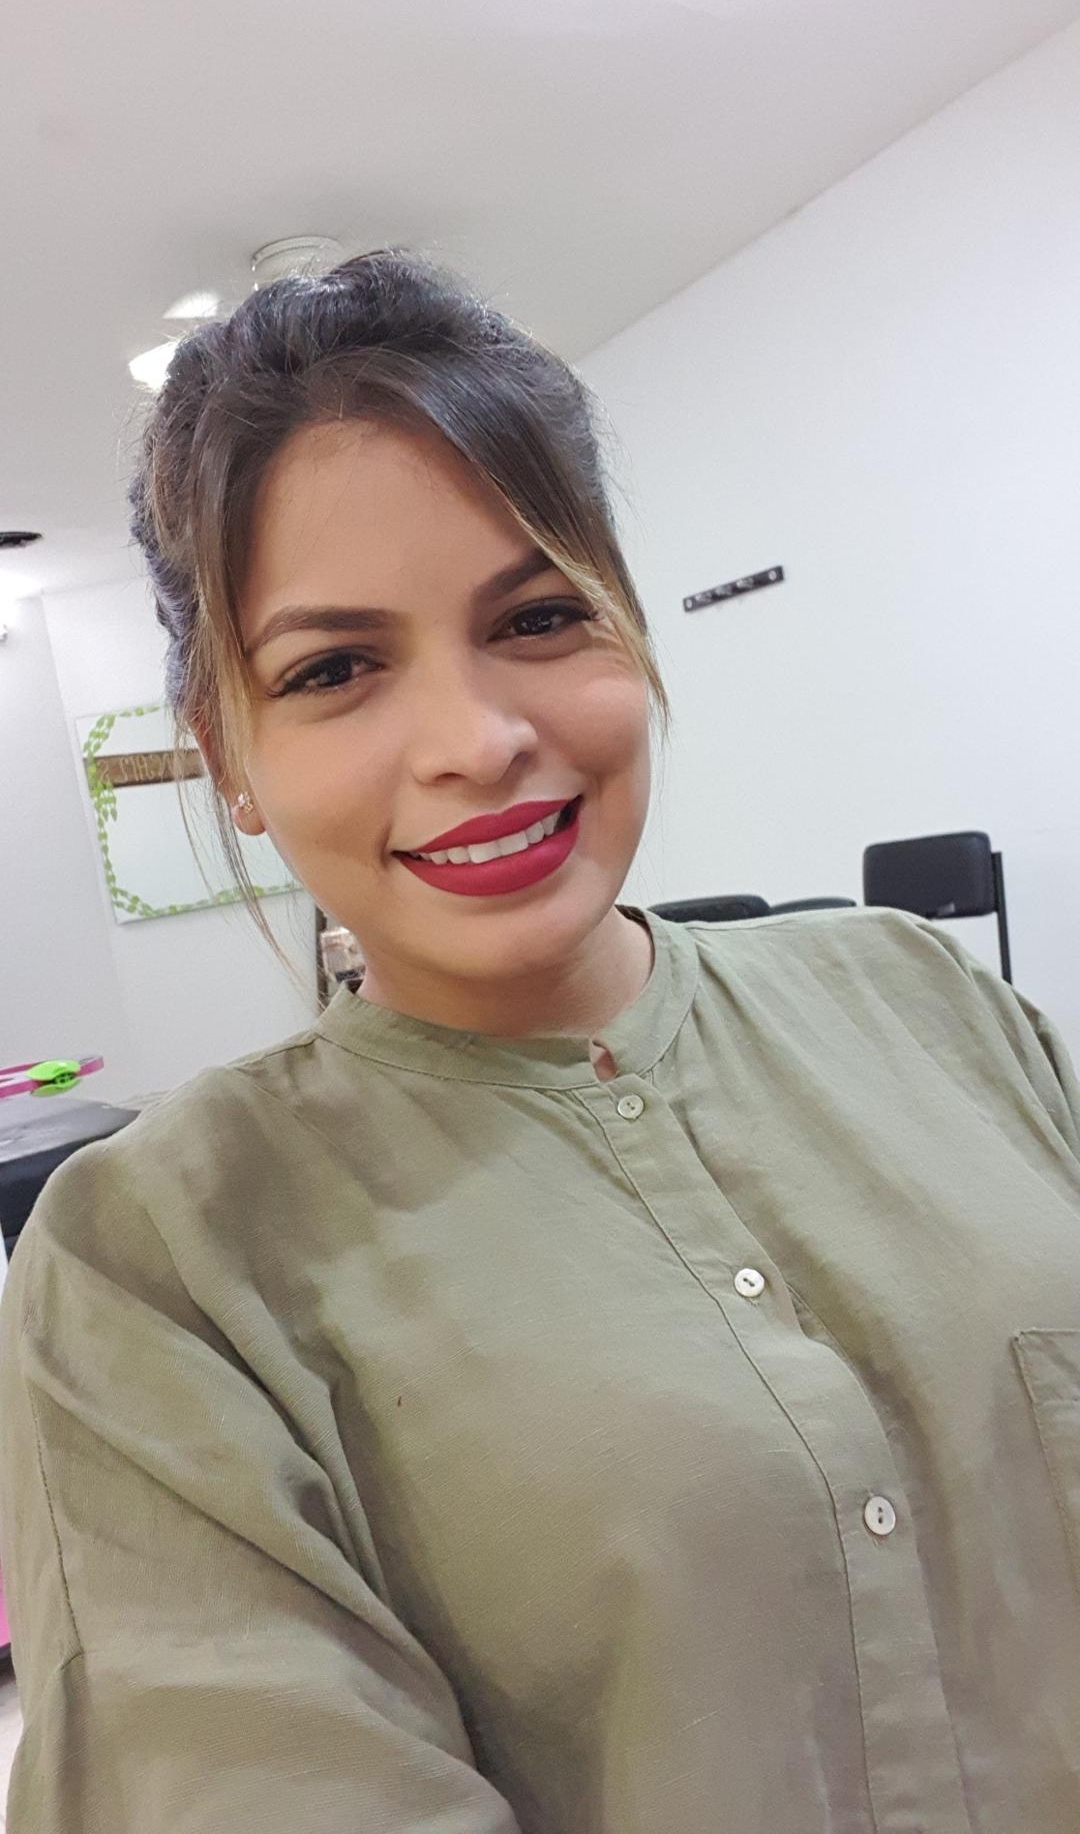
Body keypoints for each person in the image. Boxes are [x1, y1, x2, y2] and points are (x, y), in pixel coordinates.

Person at [1, 249, 1078, 1834]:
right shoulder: (155, 1265)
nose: (478, 740)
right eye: (335, 668)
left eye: (540, 616)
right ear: (228, 753)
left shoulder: (926, 1001)